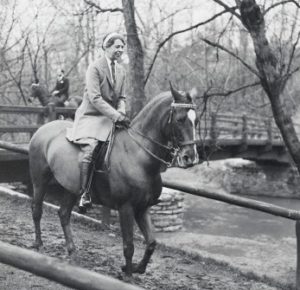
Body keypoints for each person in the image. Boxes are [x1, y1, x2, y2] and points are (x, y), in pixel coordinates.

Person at [66, 32, 130, 212]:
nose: (120, 50)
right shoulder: (94, 68)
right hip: (91, 116)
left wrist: (122, 113)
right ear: (107, 47)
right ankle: (84, 193)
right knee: (92, 146)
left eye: (122, 47)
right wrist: (116, 116)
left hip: (111, 116)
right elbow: (94, 98)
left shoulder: (121, 70)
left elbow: (122, 97)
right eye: (117, 46)